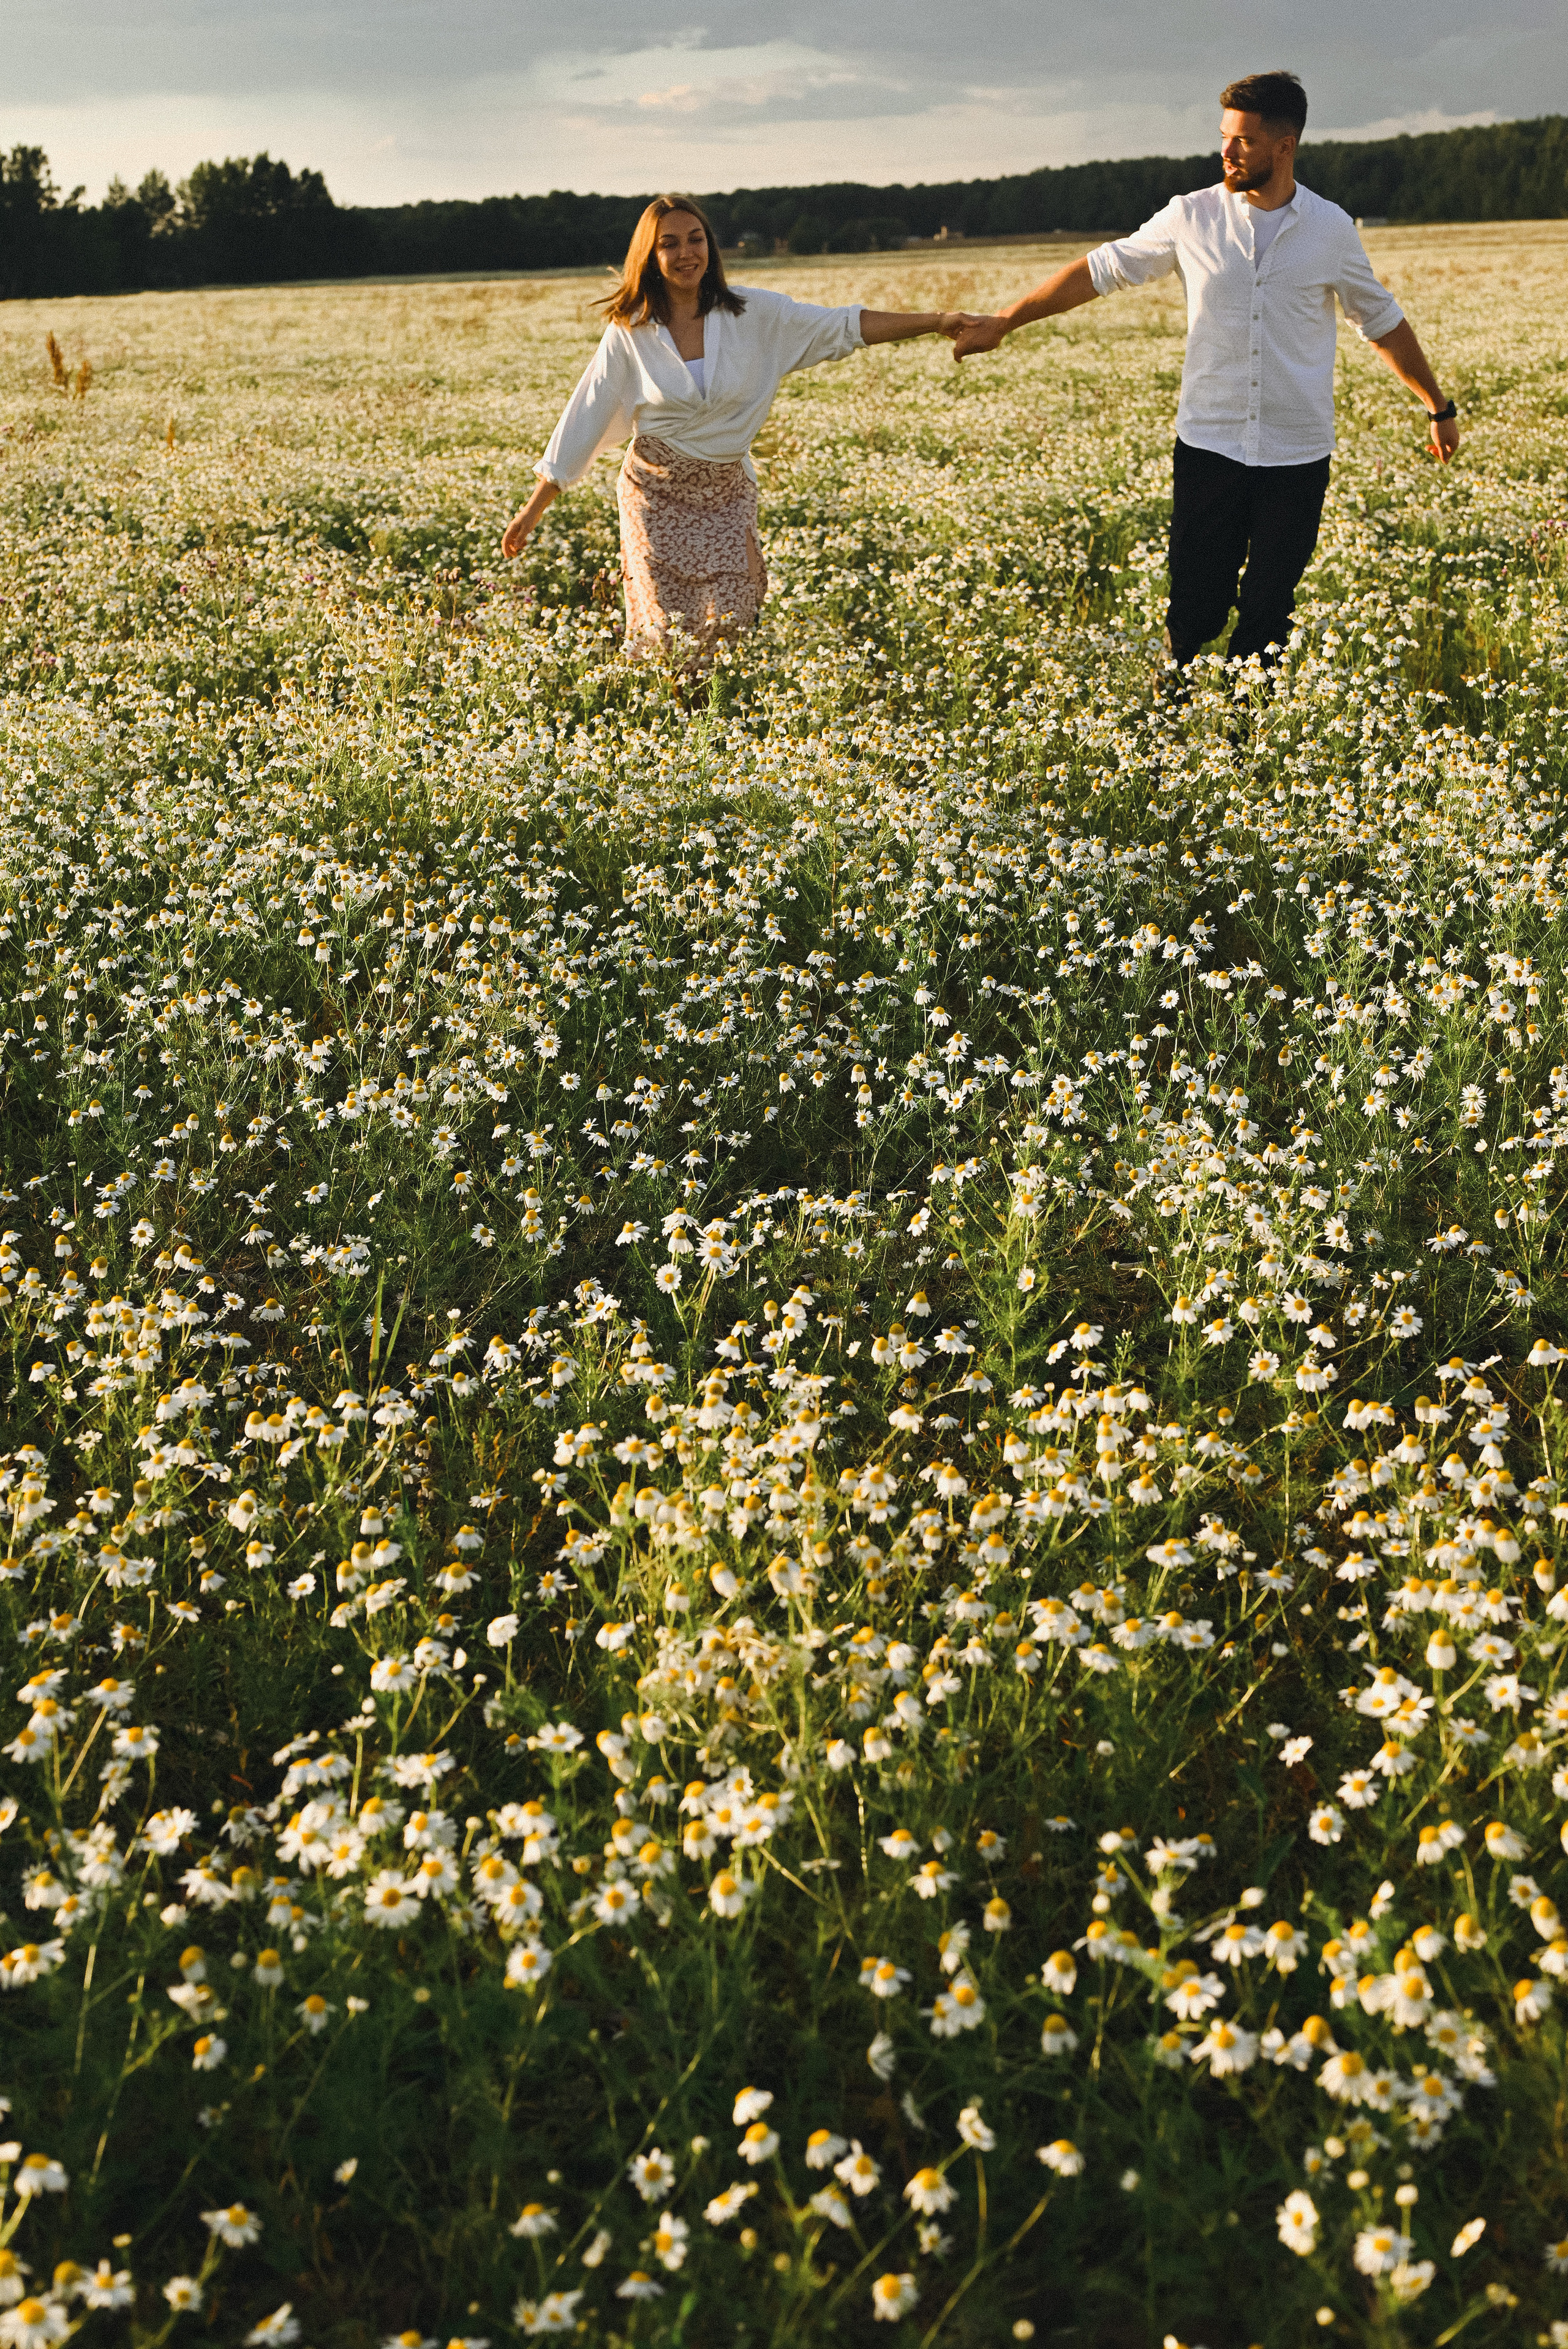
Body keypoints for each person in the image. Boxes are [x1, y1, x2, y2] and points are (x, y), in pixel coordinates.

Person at [951, 69, 1460, 682]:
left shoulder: (1330, 229)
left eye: (1242, 140)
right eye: (1224, 136)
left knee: (1268, 613)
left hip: (1295, 458)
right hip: (1209, 449)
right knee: (1194, 607)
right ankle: (1173, 723)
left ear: (1283, 145)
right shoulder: (1189, 217)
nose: (1226, 151)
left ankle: (1244, 743)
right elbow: (1097, 270)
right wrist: (1007, 320)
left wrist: (1436, 404)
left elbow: (1380, 321)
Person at [502, 194, 966, 652]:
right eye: (670, 244)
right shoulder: (631, 329)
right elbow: (587, 410)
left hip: (727, 491)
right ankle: (675, 719)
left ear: (711, 246)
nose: (686, 253)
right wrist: (536, 506)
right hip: (654, 493)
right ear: (650, 255)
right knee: (666, 630)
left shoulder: (755, 314)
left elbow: (844, 326)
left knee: (733, 619)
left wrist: (940, 321)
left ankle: (717, 712)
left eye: (696, 239)